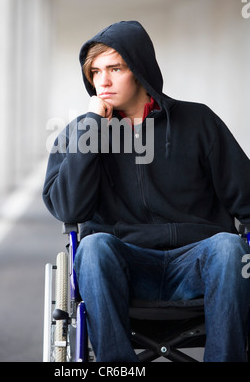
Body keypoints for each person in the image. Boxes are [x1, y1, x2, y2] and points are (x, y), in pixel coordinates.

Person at [43, 20, 250, 362]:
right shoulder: (81, 132)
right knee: (93, 248)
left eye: (115, 68)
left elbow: (245, 194)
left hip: (195, 263)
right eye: (95, 72)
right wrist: (92, 130)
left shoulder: (198, 122)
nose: (103, 82)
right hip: (126, 265)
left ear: (139, 70)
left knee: (230, 248)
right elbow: (69, 210)